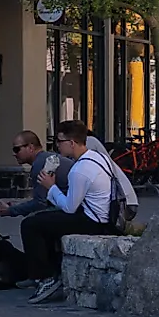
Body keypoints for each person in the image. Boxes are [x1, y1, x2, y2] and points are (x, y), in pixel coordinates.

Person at [16, 122, 124, 304]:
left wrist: (51, 187)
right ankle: (53, 271)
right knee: (44, 220)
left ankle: (46, 278)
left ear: (72, 142)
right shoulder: (98, 157)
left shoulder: (80, 170)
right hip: (104, 216)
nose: (57, 146)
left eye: (59, 141)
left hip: (93, 222)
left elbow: (69, 207)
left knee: (30, 225)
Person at [0, 131, 64, 219]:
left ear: (30, 147)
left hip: (74, 210)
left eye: (17, 149)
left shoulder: (40, 164)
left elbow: (40, 203)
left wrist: (11, 210)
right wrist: (15, 207)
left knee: (30, 224)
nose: (14, 154)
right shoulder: (44, 159)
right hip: (73, 208)